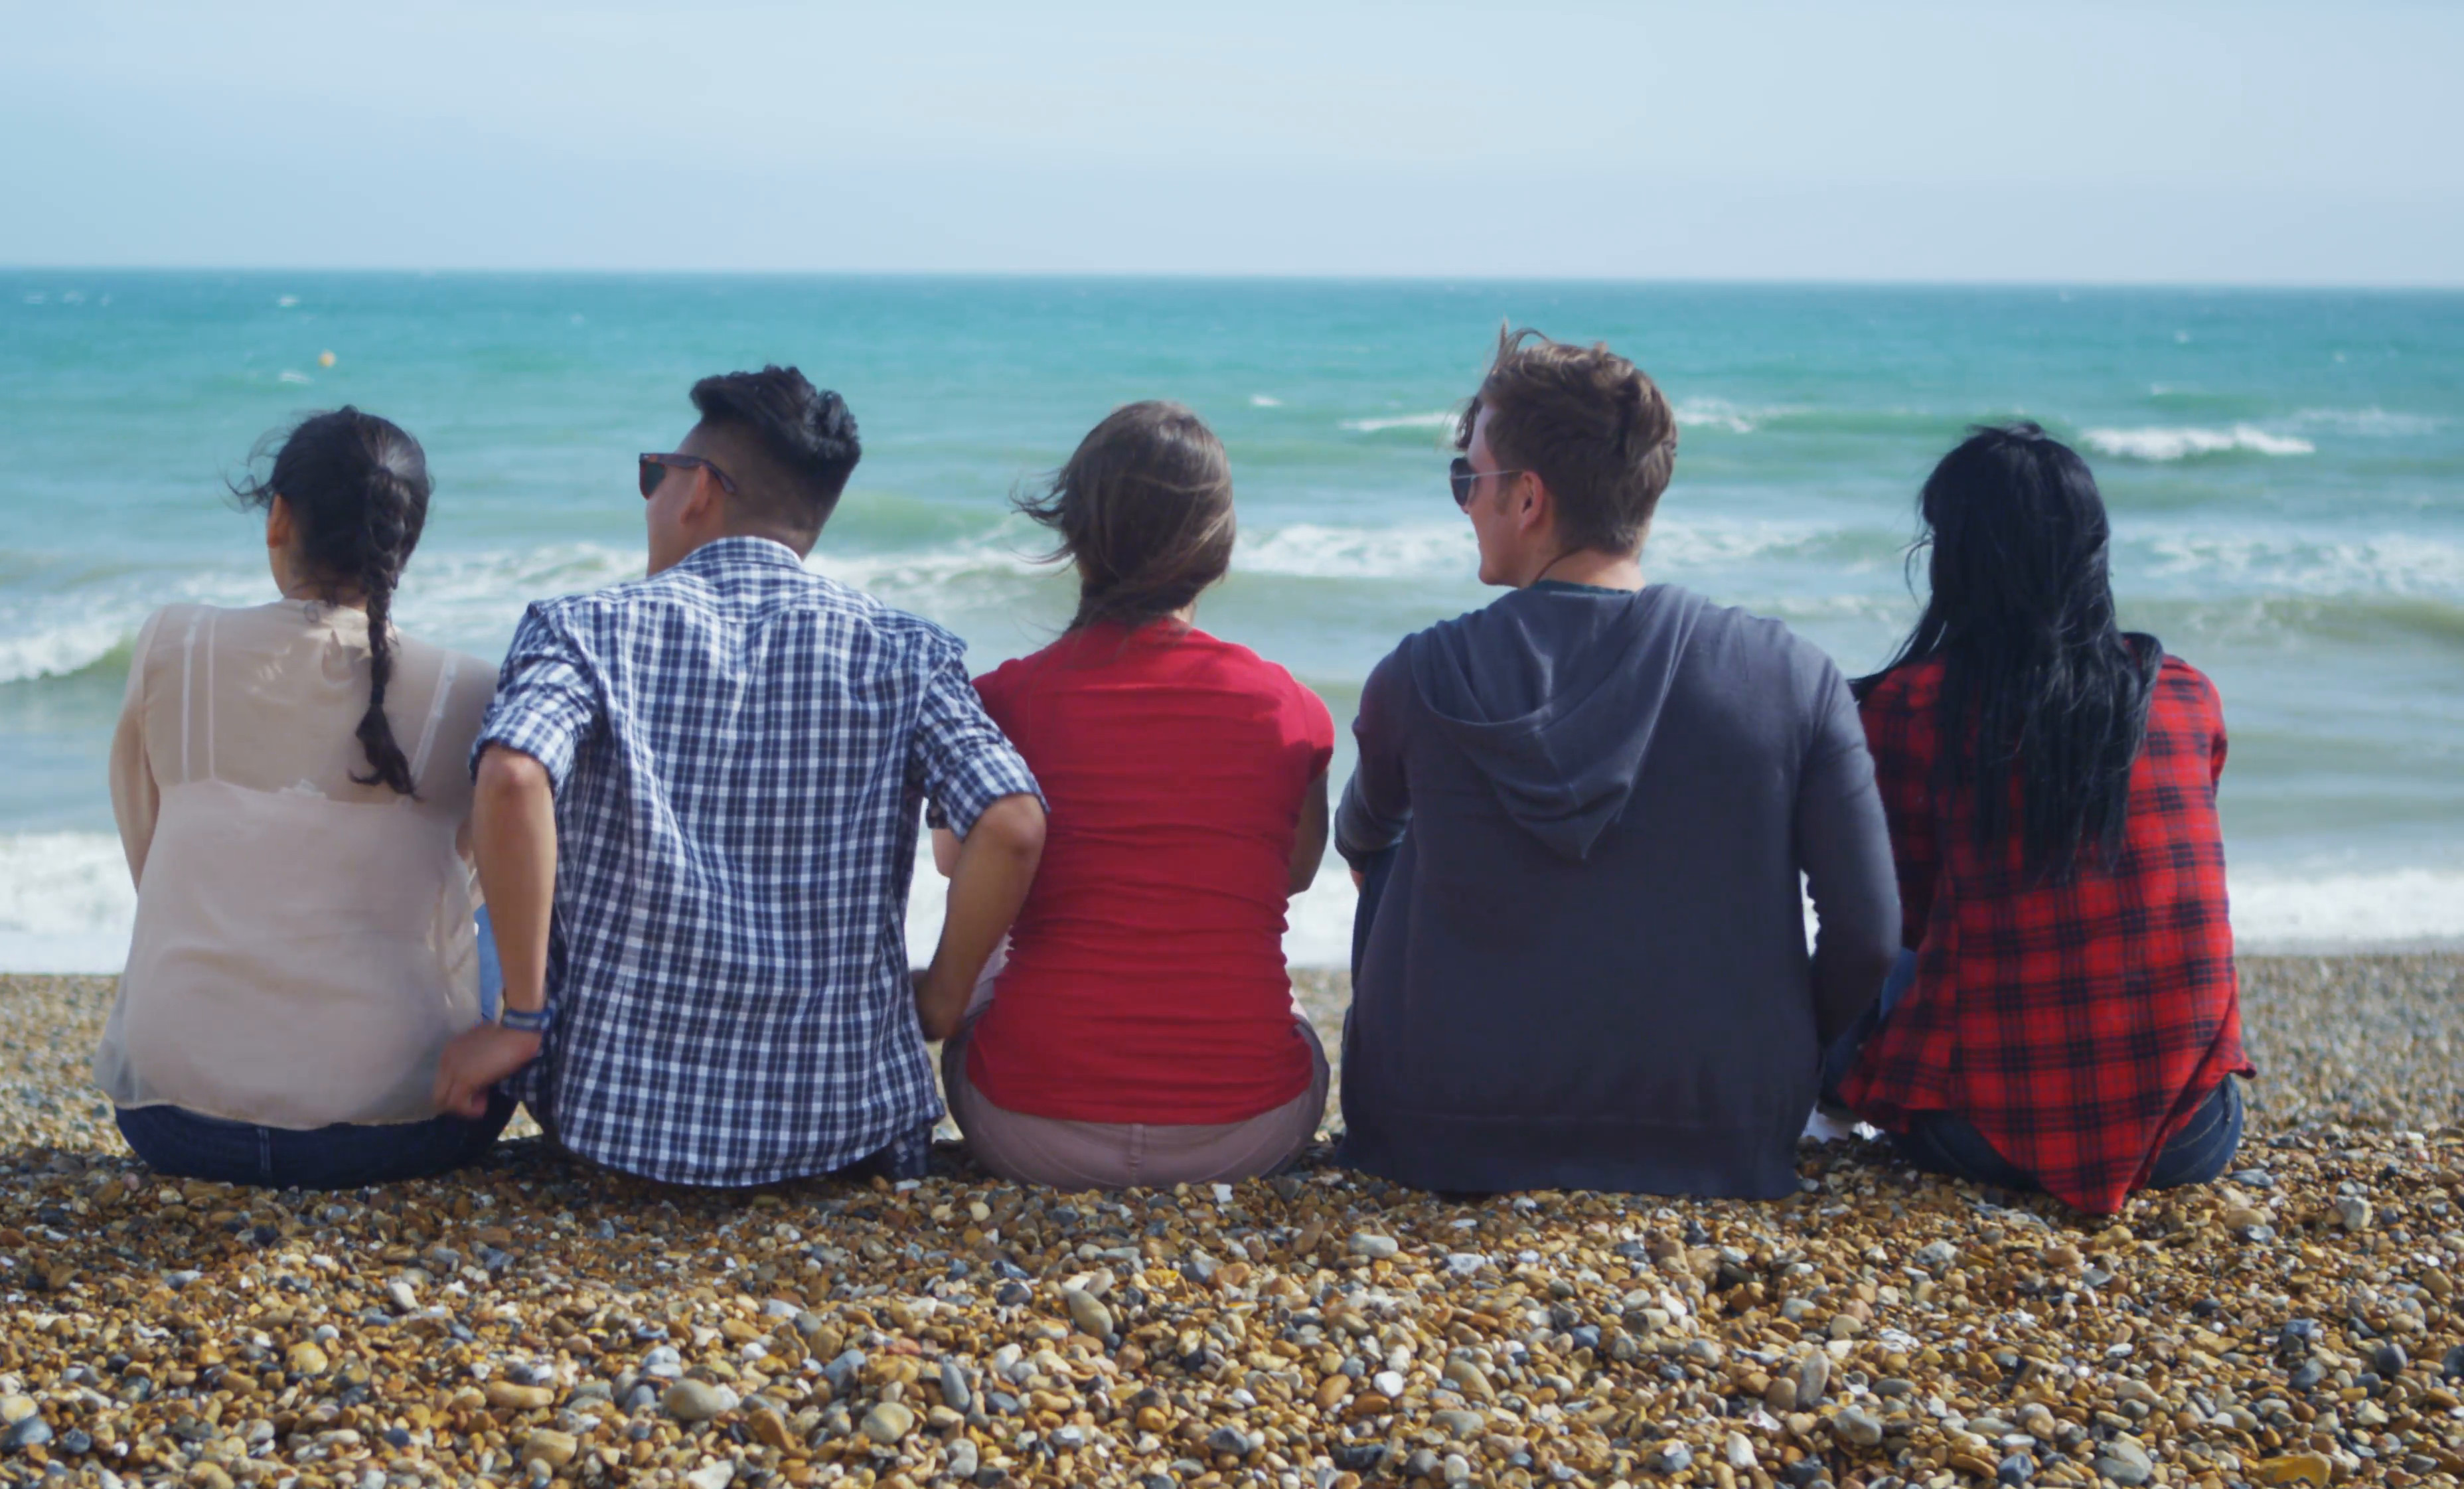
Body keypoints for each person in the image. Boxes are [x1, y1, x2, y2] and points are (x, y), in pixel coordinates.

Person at [430, 366, 1045, 1187]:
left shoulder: (581, 630)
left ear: (699, 490)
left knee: (480, 912)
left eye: (655, 475)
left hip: (616, 1129)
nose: (649, 498)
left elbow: (513, 777)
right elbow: (1012, 822)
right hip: (847, 1129)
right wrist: (939, 999)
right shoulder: (906, 651)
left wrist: (522, 1016)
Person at [1336, 329, 1900, 1198]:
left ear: (1528, 497)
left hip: (1442, 1127)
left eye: (1467, 477)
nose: (1464, 503)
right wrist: (1779, 1048)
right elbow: (1866, 931)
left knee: (1394, 835)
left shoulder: (1422, 672)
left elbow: (1361, 834)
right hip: (1721, 1125)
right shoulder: (1791, 674)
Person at [1833, 424, 2248, 1214]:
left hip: (1975, 1131)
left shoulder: (1910, 705)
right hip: (2190, 1135)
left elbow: (1896, 921)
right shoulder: (2184, 692)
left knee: (1865, 944)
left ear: (1956, 557)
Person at [96, 408, 510, 1188]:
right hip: (398, 1126)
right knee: (507, 915)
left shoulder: (171, 642)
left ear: (278, 517)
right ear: (406, 541)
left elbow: (148, 852)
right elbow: (471, 889)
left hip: (173, 1117)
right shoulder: (470, 687)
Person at [933, 402, 1334, 1189]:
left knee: (996, 952)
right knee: (1291, 1019)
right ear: (1219, 547)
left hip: (1027, 1129)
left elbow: (956, 861)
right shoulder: (1289, 706)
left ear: (1076, 536)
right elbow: (1289, 873)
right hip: (1246, 1132)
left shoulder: (1003, 701)